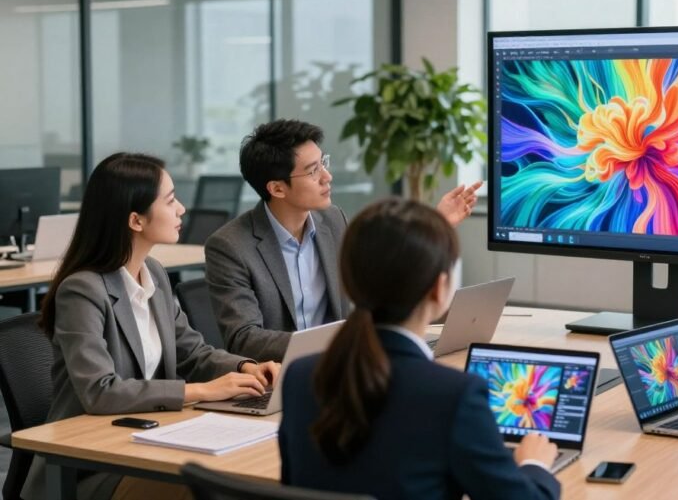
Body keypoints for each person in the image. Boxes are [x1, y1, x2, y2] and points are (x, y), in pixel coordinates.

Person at [22, 153, 280, 500]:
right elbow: (100, 391)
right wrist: (203, 391)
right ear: (136, 220)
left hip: (144, 441)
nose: (182, 209)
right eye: (171, 200)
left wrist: (245, 367)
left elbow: (193, 353)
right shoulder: (82, 290)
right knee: (211, 489)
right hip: (89, 465)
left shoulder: (153, 272)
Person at [278, 198, 560, 500]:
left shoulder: (300, 376)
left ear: (349, 283)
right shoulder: (455, 396)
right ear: (439, 288)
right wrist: (534, 465)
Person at [206, 119, 481, 361]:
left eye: (323, 163)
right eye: (313, 171)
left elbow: (379, 277)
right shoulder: (231, 246)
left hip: (345, 367)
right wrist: (340, 341)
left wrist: (436, 224)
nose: (327, 177)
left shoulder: (332, 220)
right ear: (277, 188)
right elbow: (243, 338)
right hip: (283, 377)